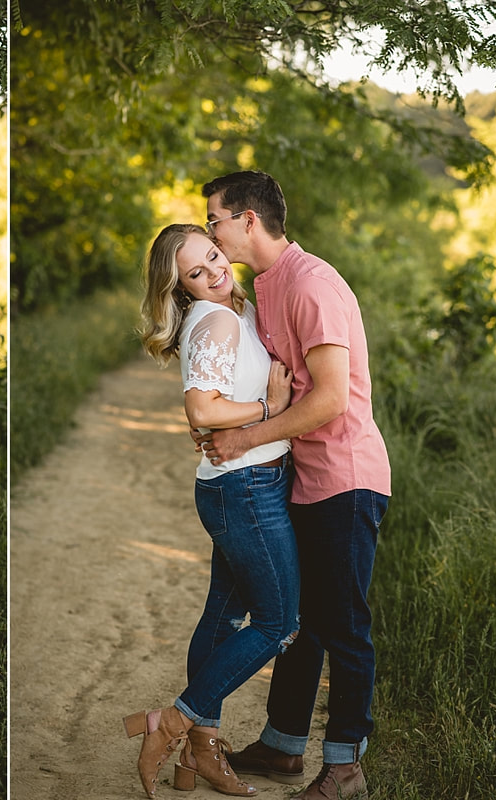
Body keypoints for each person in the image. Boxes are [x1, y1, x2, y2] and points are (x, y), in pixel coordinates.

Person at [197, 171, 391, 800]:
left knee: (342, 624)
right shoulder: (266, 286)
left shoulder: (313, 284)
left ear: (248, 220)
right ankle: (283, 746)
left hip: (345, 477)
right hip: (301, 479)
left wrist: (247, 438)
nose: (210, 232)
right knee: (299, 620)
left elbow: (333, 399)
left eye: (215, 220)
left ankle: (346, 765)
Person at [126, 223, 300, 798]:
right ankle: (172, 723)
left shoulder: (234, 308)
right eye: (196, 274)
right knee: (278, 623)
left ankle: (199, 752)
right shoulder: (220, 319)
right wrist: (268, 406)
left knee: (222, 618)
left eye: (213, 256)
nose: (214, 272)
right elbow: (201, 409)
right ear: (182, 289)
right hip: (246, 488)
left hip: (236, 486)